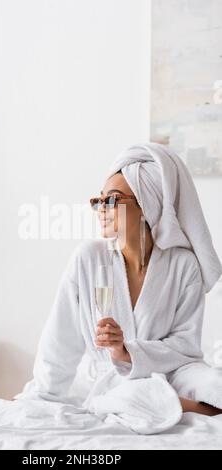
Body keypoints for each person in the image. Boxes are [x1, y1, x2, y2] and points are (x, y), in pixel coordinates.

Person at [18, 142, 222, 434]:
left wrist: (128, 351)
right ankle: (185, 406)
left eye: (112, 200)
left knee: (216, 384)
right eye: (98, 200)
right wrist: (43, 395)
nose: (101, 208)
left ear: (146, 204)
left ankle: (171, 403)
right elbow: (59, 340)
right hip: (117, 380)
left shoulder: (183, 265)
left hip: (174, 372)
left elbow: (185, 346)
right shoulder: (88, 258)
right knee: (133, 394)